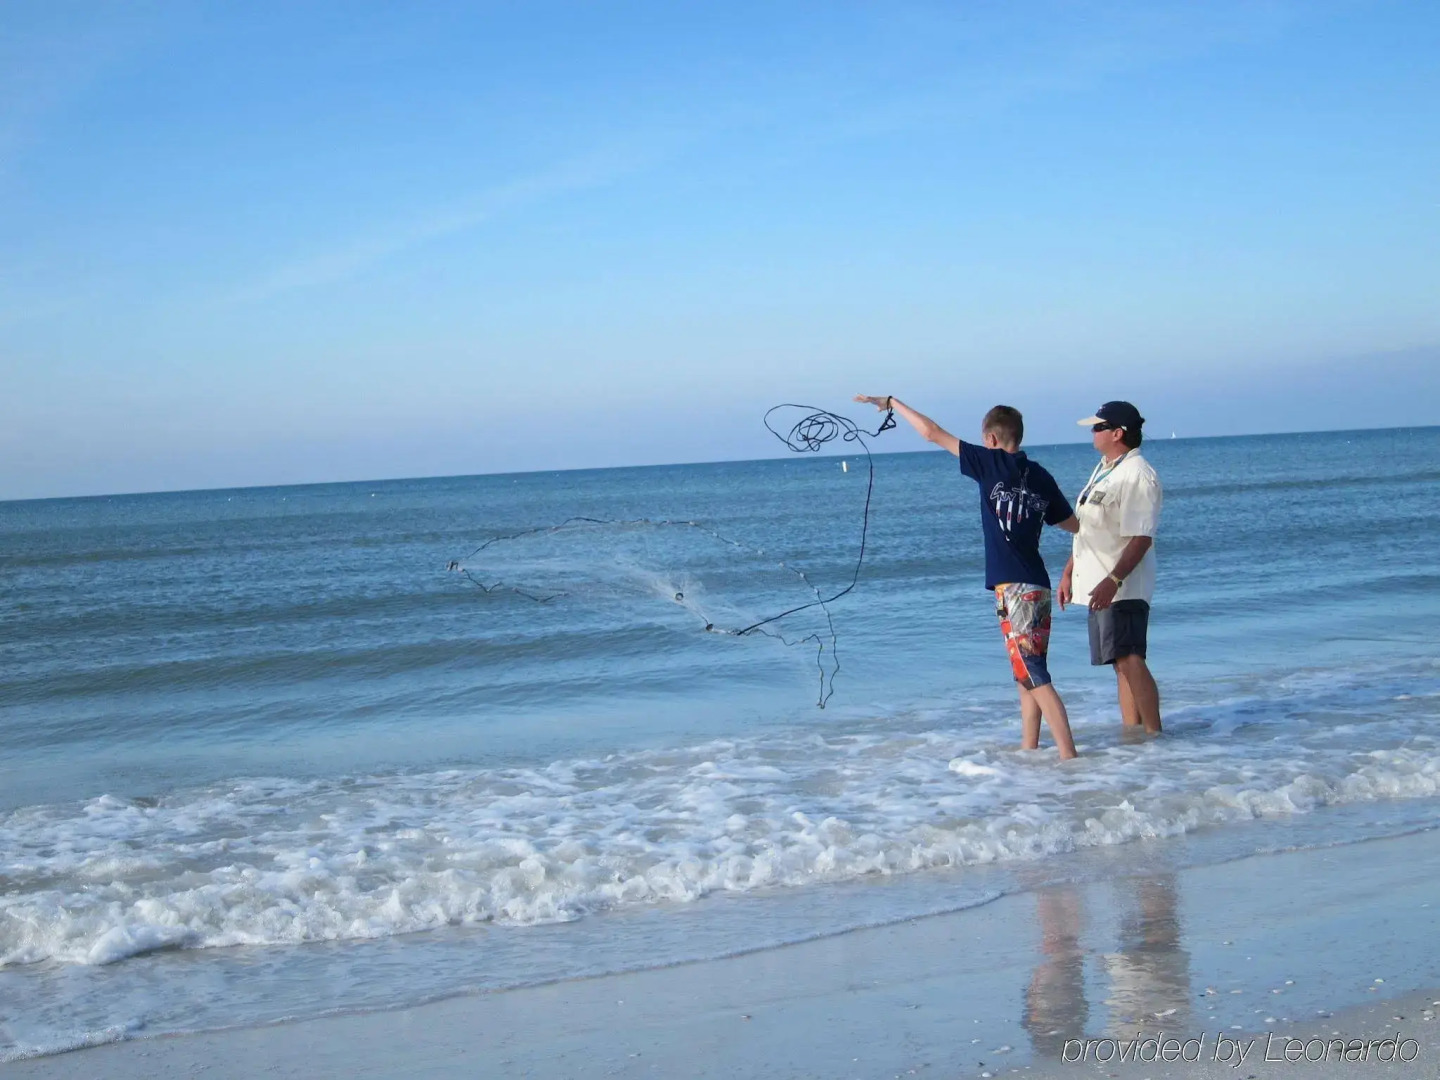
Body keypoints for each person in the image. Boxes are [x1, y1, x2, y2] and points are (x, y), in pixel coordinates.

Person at [855, 395, 1080, 759]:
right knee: (1025, 673)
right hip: (1037, 583)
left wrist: (893, 403)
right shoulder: (1040, 475)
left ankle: (1069, 756)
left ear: (991, 439)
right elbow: (1072, 524)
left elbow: (931, 432)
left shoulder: (989, 462)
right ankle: (1029, 751)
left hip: (1015, 587)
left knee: (1033, 673)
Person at [1058, 401, 1163, 734]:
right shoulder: (1106, 468)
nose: (1093, 432)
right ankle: (1133, 735)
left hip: (1124, 585)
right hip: (1100, 581)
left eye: (1098, 427)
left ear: (1117, 433)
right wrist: (1069, 571)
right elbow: (1090, 528)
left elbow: (1141, 537)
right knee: (1119, 662)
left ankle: (1155, 735)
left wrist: (1113, 579)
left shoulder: (1137, 474)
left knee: (1131, 658)